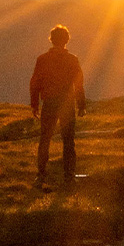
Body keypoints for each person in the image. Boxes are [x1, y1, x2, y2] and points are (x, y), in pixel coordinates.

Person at [30, 24, 86, 186]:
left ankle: (41, 174)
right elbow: (79, 84)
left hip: (49, 103)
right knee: (68, 140)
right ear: (66, 40)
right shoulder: (72, 60)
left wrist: (35, 104)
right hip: (67, 104)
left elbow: (35, 83)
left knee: (45, 138)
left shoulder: (42, 60)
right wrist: (81, 105)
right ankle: (69, 176)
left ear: (51, 40)